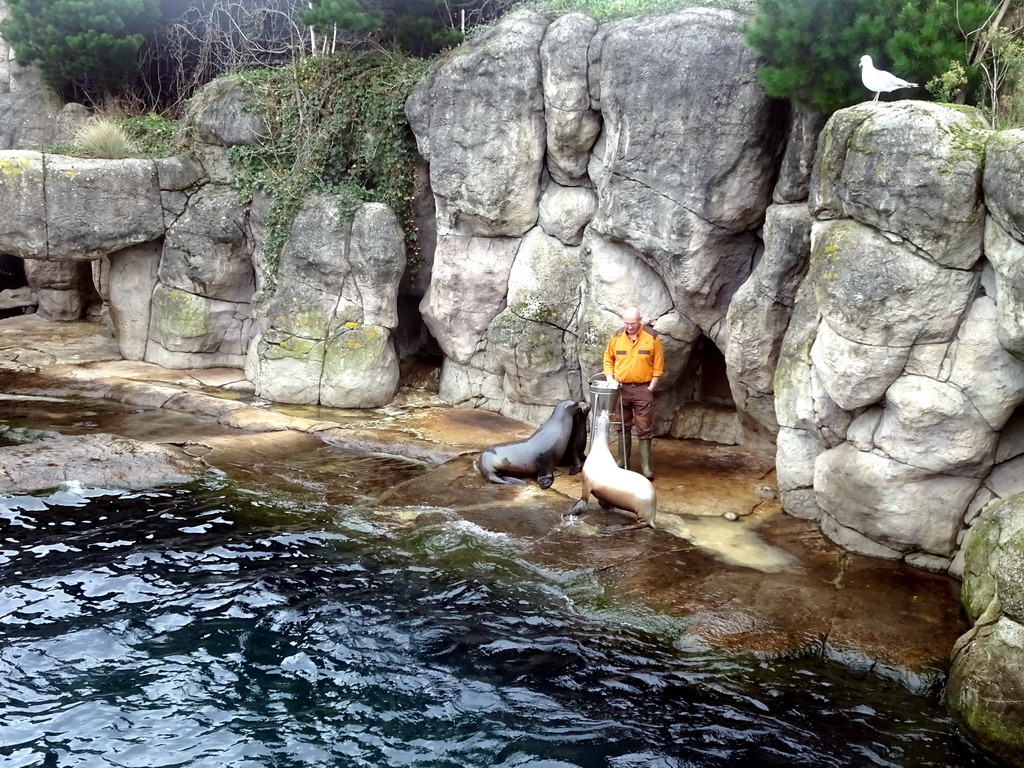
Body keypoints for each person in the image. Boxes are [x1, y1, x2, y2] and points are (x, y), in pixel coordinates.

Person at [602, 306, 664, 480]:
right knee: (622, 425)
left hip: (643, 388)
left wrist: (651, 386)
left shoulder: (652, 336)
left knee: (644, 427)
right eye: (626, 323)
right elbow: (608, 359)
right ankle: (622, 461)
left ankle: (646, 467)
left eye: (633, 323)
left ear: (640, 320)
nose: (629, 326)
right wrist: (610, 378)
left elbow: (658, 364)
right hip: (620, 389)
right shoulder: (615, 337)